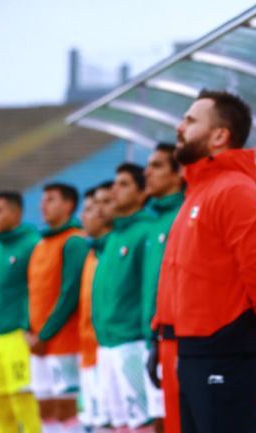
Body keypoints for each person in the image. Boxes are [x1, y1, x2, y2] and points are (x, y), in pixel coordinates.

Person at [156, 89, 256, 433]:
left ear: (220, 135)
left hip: (226, 350)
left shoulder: (235, 190)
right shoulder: (198, 191)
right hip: (195, 349)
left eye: (191, 120)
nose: (180, 127)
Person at [92, 163, 156, 431]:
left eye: (124, 184)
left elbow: (150, 289)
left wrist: (147, 338)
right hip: (107, 344)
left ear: (142, 193)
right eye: (115, 183)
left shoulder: (146, 231)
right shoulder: (113, 237)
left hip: (134, 344)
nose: (115, 189)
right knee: (119, 424)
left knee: (145, 422)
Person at [28, 182, 88, 433]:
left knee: (66, 409)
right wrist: (27, 330)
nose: (44, 205)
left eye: (51, 199)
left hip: (63, 342)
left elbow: (70, 293)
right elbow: (29, 290)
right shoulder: (41, 244)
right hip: (37, 342)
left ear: (69, 204)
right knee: (44, 407)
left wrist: (44, 334)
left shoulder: (74, 241)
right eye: (43, 200)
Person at [0, 191, 42, 433]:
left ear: (16, 212)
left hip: (19, 336)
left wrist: (32, 327)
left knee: (25, 405)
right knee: (1, 406)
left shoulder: (32, 244)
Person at [143, 142, 185, 433]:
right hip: (156, 337)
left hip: (181, 339)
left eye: (157, 165)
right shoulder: (155, 222)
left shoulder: (182, 214)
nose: (147, 172)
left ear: (178, 173)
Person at [77, 185, 112, 429]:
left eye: (93, 208)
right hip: (88, 352)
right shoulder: (91, 253)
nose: (86, 215)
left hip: (108, 351)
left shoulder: (111, 249)